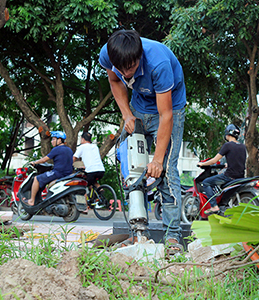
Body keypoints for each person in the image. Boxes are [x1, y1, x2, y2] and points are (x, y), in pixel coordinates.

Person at [99, 29, 186, 253]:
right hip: (138, 107)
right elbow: (114, 81)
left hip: (169, 110)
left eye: (132, 68)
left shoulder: (158, 63)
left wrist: (156, 160)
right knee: (131, 165)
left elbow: (165, 114)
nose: (127, 74)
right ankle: (138, 233)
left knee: (166, 170)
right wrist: (127, 114)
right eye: (122, 69)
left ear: (139, 58)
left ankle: (173, 237)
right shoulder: (108, 55)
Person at [197, 124, 247, 215]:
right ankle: (223, 205)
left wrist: (202, 164)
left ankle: (214, 206)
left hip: (229, 177)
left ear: (227, 134)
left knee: (206, 182)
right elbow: (238, 161)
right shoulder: (243, 147)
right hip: (241, 177)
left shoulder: (227, 145)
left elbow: (214, 161)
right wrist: (227, 165)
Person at [22, 131, 74, 206]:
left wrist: (34, 162)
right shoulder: (69, 150)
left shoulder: (56, 149)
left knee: (36, 178)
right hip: (68, 174)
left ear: (59, 140)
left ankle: (31, 201)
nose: (52, 141)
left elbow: (44, 160)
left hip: (57, 173)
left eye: (53, 139)